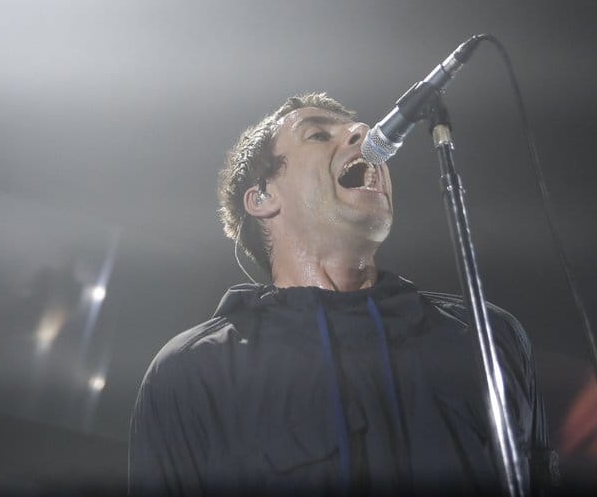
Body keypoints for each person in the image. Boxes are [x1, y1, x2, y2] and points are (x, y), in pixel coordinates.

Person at [129, 93, 557, 495]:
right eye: (319, 134)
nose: (364, 136)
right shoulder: (192, 372)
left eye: (359, 129)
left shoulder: (488, 337)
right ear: (262, 198)